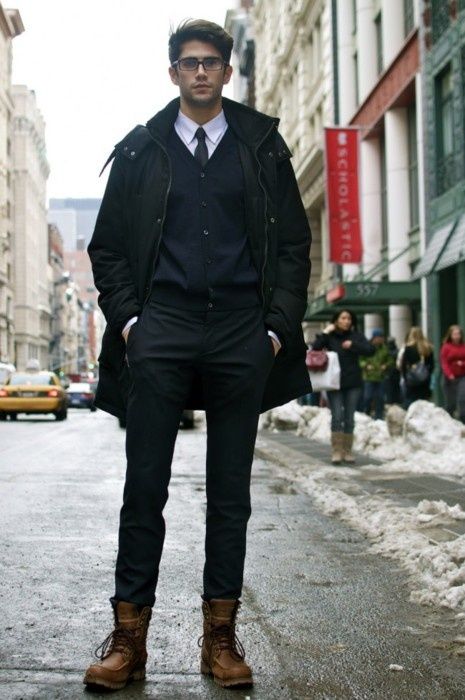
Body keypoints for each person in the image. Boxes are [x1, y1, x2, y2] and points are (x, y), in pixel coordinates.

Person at [84, 19, 311, 692]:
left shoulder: (261, 146)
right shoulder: (141, 150)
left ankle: (221, 639)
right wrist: (130, 322)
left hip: (241, 331)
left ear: (227, 71)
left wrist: (274, 328)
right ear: (173, 72)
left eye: (212, 62)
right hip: (163, 328)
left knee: (229, 496)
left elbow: (293, 245)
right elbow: (108, 249)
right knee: (143, 488)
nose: (201, 73)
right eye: (189, 63)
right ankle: (128, 641)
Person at [312, 310, 374, 464]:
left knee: (349, 418)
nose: (347, 321)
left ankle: (347, 451)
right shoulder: (330, 337)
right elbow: (315, 348)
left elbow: (370, 350)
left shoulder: (356, 336)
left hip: (353, 382)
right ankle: (336, 451)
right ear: (336, 320)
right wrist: (325, 332)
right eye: (343, 318)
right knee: (337, 416)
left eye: (349, 319)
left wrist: (353, 345)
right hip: (334, 383)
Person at [360, 329, 394, 419]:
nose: (380, 340)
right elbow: (360, 360)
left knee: (380, 398)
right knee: (367, 397)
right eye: (378, 338)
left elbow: (390, 360)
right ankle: (366, 414)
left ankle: (379, 417)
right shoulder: (366, 347)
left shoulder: (385, 348)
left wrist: (385, 365)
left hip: (381, 377)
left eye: (381, 338)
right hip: (368, 377)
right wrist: (366, 365)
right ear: (374, 338)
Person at [400, 326, 434, 409]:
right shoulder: (428, 348)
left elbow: (403, 365)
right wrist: (427, 374)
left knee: (411, 401)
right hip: (424, 380)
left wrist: (405, 377)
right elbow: (432, 365)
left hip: (412, 379)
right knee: (424, 402)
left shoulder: (408, 348)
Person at [440, 324, 465, 423]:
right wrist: (449, 374)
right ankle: (448, 423)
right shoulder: (446, 347)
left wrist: (461, 363)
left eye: (458, 334)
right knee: (450, 404)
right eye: (454, 334)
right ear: (450, 335)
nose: (457, 336)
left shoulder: (463, 346)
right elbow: (444, 362)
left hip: (462, 376)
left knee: (462, 399)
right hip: (449, 379)